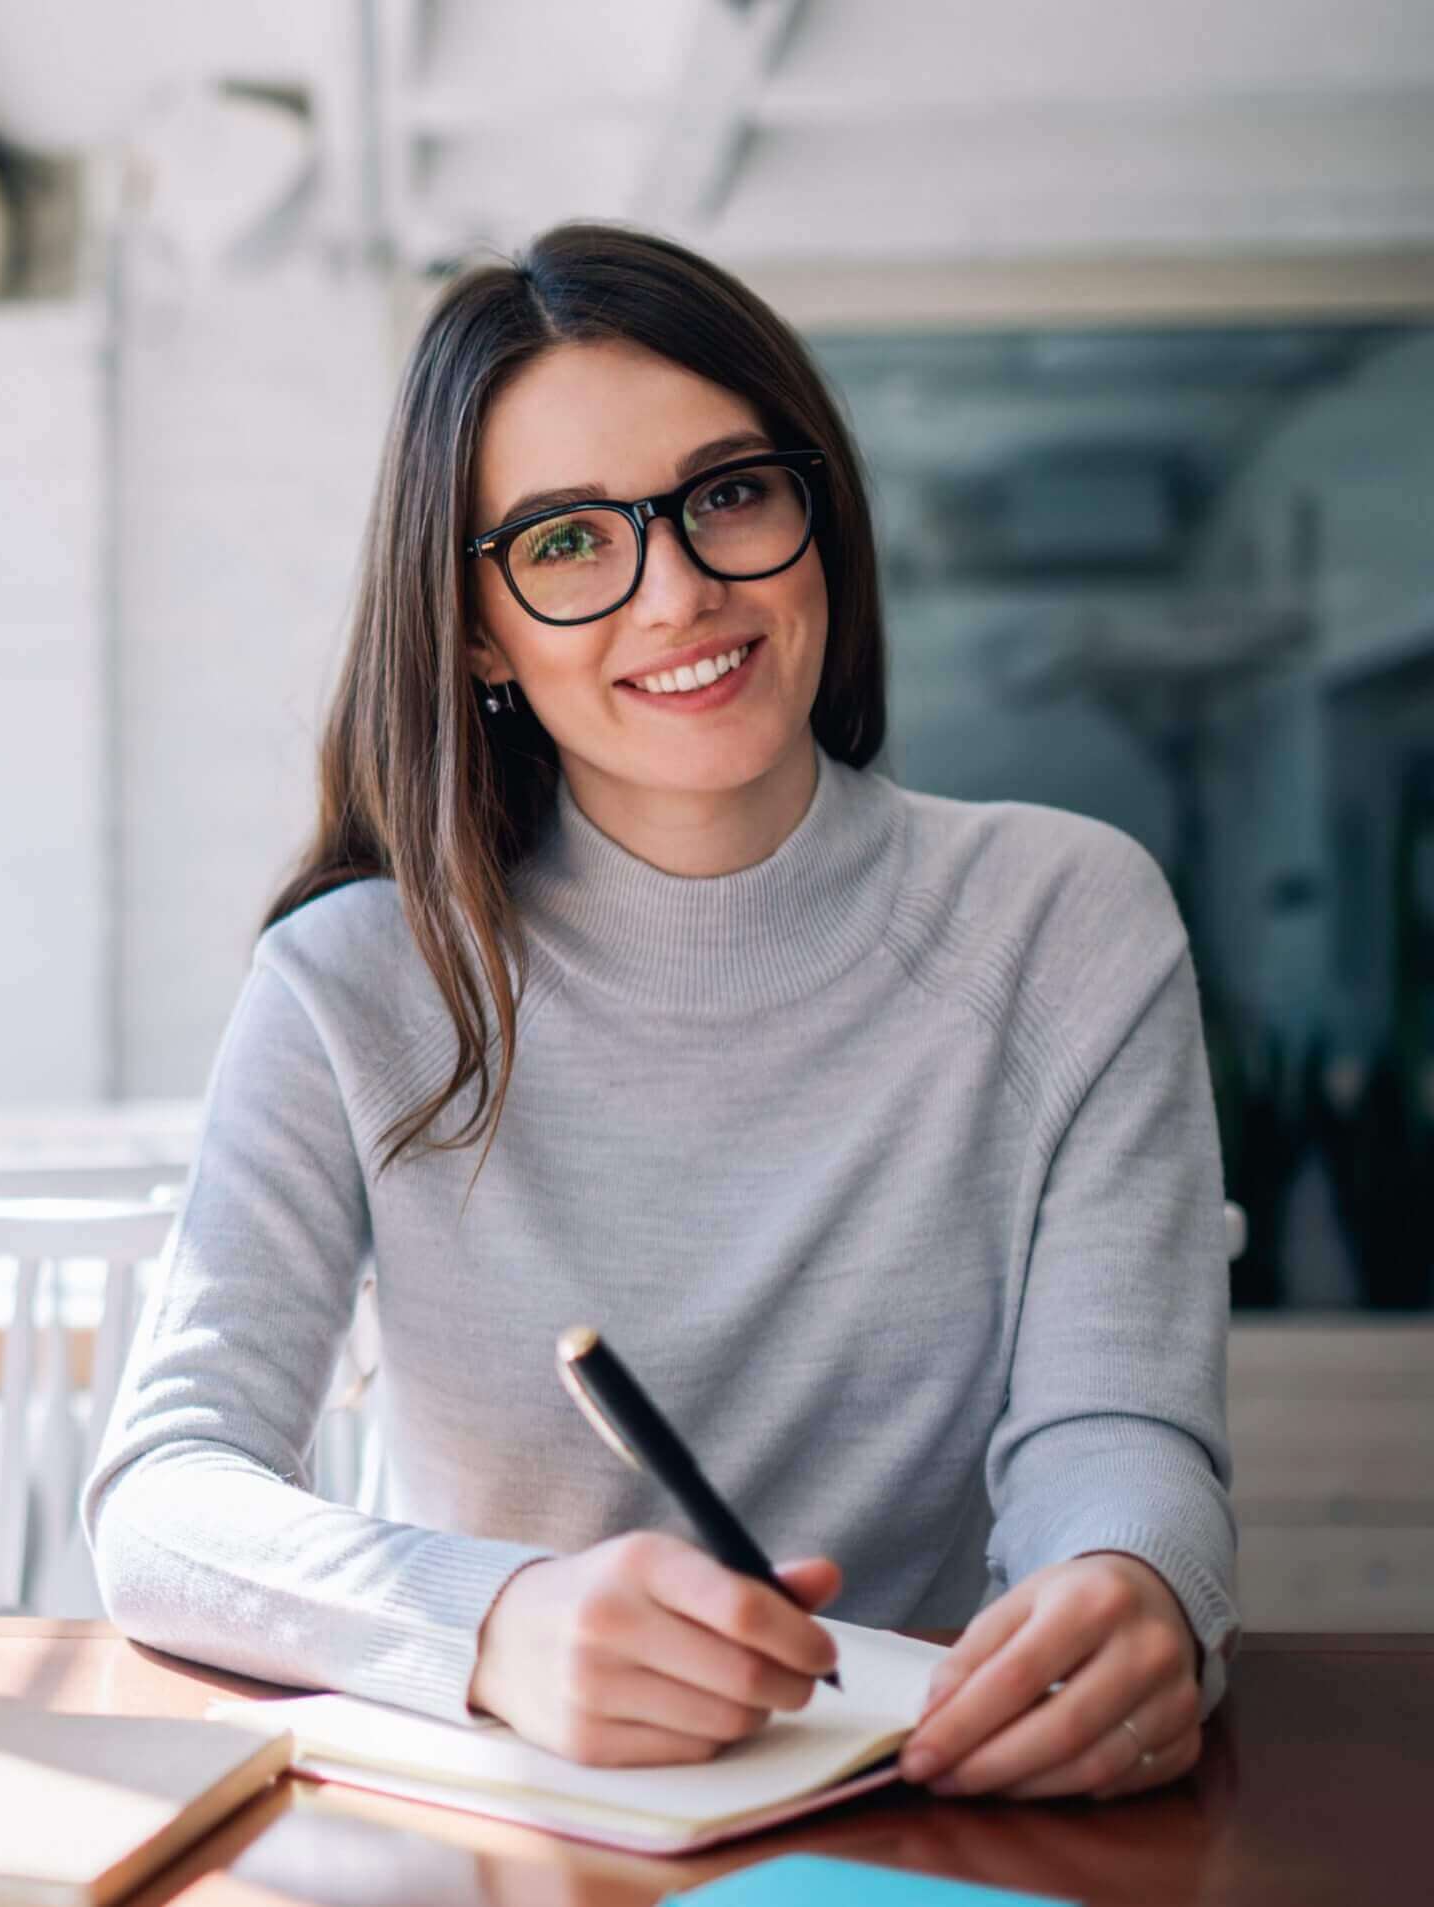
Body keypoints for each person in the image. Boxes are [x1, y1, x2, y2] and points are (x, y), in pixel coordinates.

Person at [82, 222, 1236, 1805]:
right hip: (520, 1814)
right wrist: (489, 1623)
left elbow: (1118, 1425)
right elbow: (163, 1498)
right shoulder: (350, 980)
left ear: (815, 511)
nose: (680, 593)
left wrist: (1142, 1579)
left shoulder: (1065, 918)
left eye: (731, 495)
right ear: (478, 626)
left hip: (944, 1797)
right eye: (566, 541)